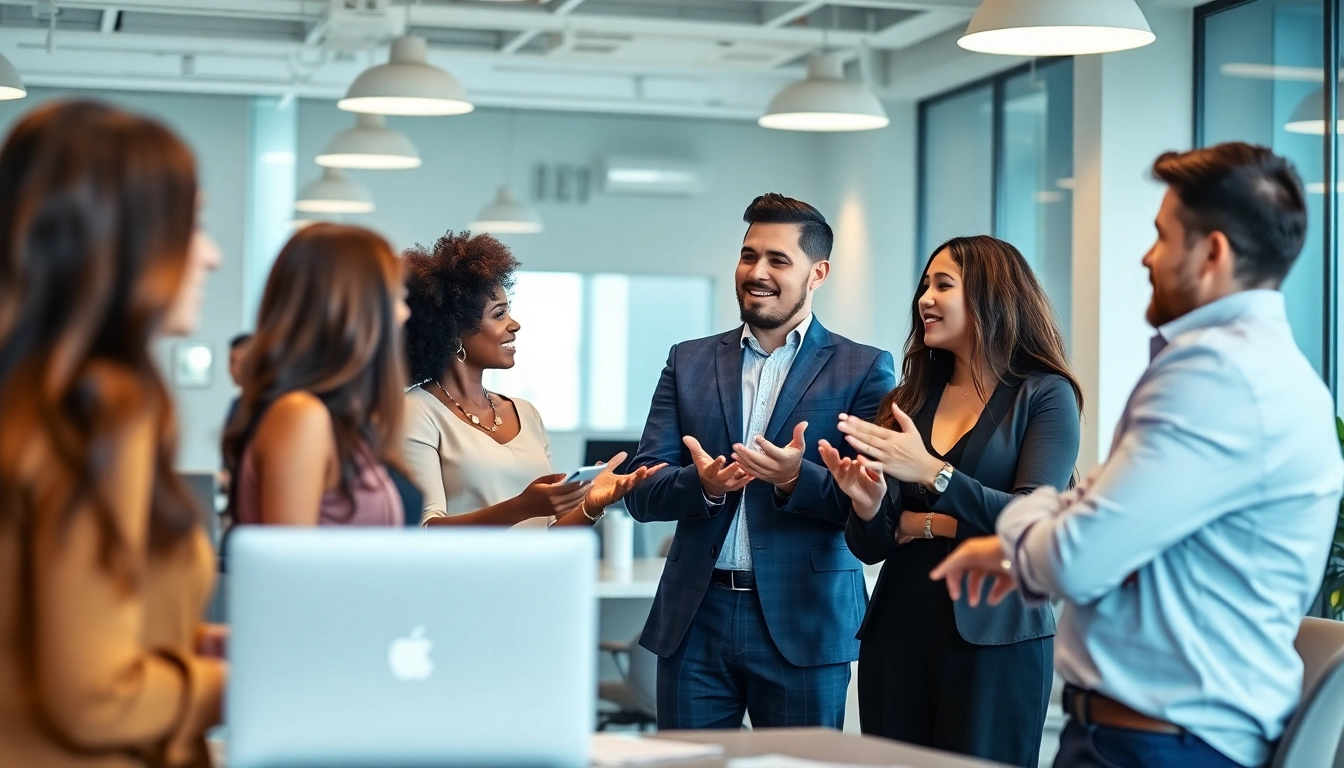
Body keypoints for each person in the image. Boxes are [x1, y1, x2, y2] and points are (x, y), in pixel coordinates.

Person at [930, 143, 1344, 768]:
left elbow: (1074, 556)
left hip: (1158, 745)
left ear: (1212, 253)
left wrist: (1024, 521)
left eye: (1162, 237)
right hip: (1159, 737)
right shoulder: (1266, 370)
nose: (1147, 257)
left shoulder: (1215, 374)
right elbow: (1111, 511)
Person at [0, 101, 225, 767]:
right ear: (123, 239)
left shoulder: (30, 400)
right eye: (193, 224)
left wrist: (192, 645)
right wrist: (250, 685)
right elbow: (96, 697)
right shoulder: (101, 410)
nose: (209, 255)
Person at [624, 193, 897, 730]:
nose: (757, 272)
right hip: (695, 617)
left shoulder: (863, 369)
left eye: (777, 260)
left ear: (817, 272)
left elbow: (872, 504)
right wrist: (699, 485)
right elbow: (641, 489)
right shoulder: (689, 360)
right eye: (749, 256)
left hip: (806, 619)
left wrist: (796, 478)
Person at [819, 235, 1081, 766]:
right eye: (924, 286)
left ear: (991, 296)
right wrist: (868, 505)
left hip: (997, 639)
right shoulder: (907, 399)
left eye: (943, 285)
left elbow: (1030, 520)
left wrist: (933, 480)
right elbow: (874, 545)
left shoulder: (1045, 395)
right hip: (898, 632)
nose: (924, 299)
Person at [402, 230, 662, 529]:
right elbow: (424, 530)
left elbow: (548, 532)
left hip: (533, 576)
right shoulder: (417, 410)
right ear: (454, 331)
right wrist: (522, 507)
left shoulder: (526, 413)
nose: (514, 324)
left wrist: (591, 505)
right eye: (499, 314)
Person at [222, 224, 410, 528]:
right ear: (356, 309)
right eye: (397, 298)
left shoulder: (342, 421)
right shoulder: (300, 415)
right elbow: (290, 571)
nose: (404, 314)